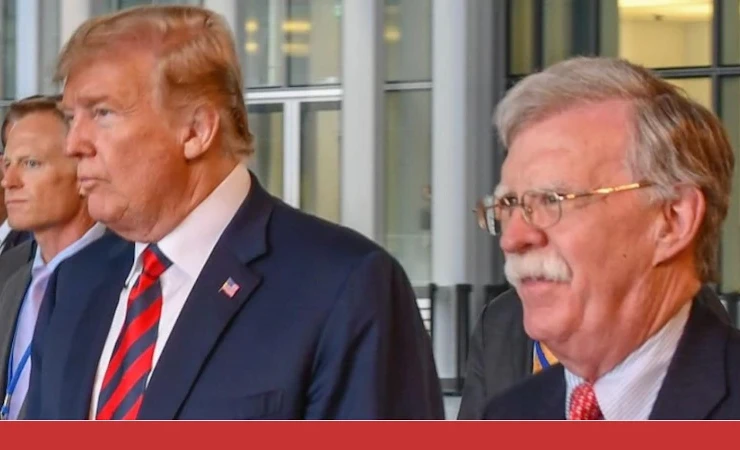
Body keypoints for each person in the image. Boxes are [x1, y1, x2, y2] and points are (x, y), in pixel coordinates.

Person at [26, 5, 443, 420]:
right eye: (71, 118)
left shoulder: (347, 287)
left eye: (102, 113)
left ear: (196, 131)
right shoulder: (73, 283)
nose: (73, 144)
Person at [476, 56, 740, 420]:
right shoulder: (507, 416)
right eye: (509, 204)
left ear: (672, 220)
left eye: (553, 199)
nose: (513, 238)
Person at [0, 95, 106, 420]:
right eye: (7, 164)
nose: (8, 182)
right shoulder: (9, 274)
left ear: (82, 172)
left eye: (31, 164)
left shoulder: (130, 278)